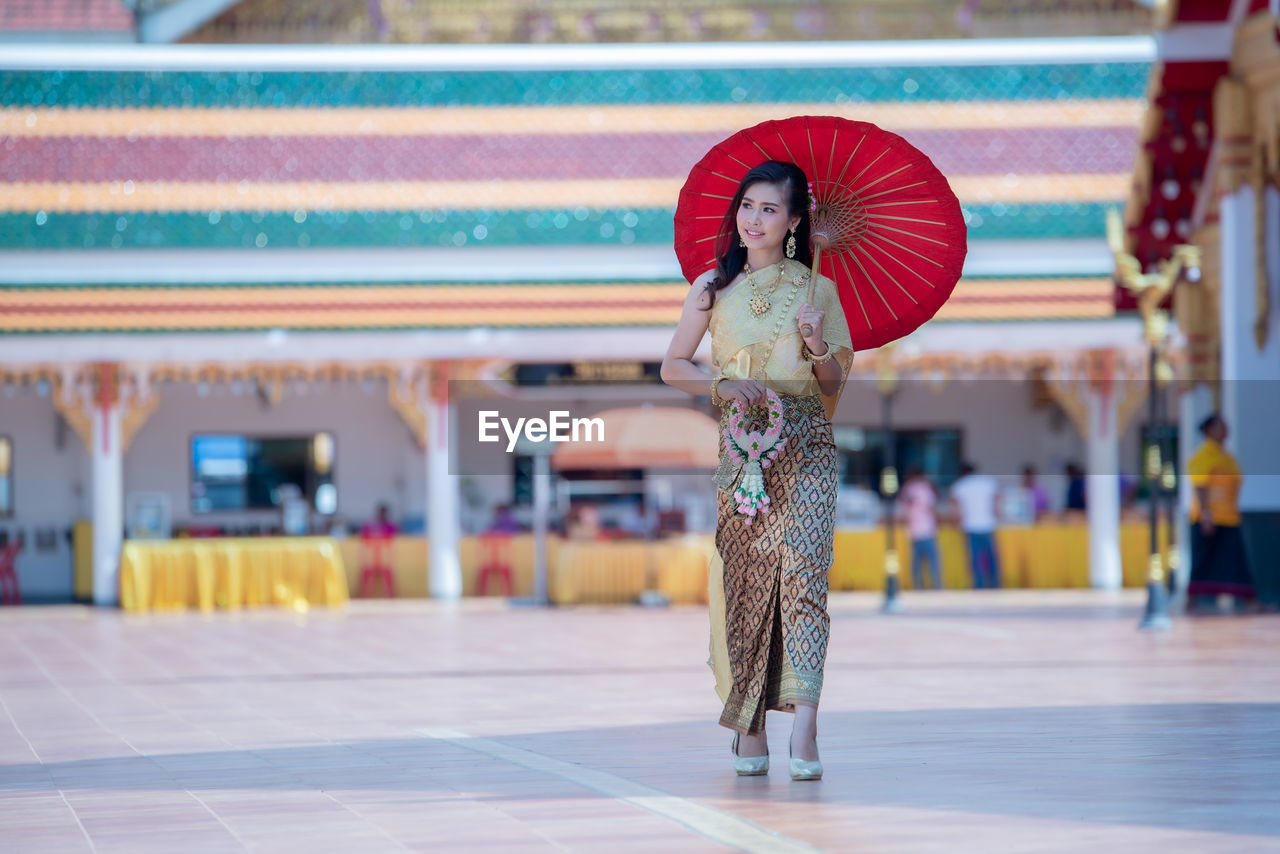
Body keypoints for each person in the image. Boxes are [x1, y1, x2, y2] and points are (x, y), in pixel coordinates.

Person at [661, 160, 853, 781]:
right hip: (742, 451)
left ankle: (806, 724)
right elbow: (673, 366)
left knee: (804, 580)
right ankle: (749, 723)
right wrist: (726, 381)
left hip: (806, 444)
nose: (754, 218)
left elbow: (832, 382)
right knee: (745, 585)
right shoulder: (711, 286)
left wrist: (818, 344)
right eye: (748, 205)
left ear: (795, 221)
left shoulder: (816, 289)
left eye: (770, 209)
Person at [1186, 414, 1256, 611]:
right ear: (1208, 430)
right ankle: (1190, 602)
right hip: (1210, 517)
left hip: (1229, 517)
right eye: (1220, 426)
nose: (1225, 429)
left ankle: (1250, 601)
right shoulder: (1204, 455)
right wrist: (1206, 514)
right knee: (1203, 560)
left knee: (1235, 562)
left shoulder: (1225, 456)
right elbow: (1200, 485)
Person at [950, 462, 1001, 589]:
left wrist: (958, 519)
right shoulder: (986, 482)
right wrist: (996, 510)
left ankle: (979, 586)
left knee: (975, 560)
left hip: (970, 526)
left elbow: (955, 505)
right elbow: (999, 495)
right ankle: (995, 585)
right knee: (992, 558)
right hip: (988, 524)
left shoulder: (960, 485)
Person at [899, 466, 942, 590]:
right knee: (933, 562)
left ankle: (918, 587)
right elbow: (931, 507)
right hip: (927, 529)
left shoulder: (906, 489)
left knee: (916, 563)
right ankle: (937, 586)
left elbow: (903, 512)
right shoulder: (924, 488)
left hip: (913, 530)